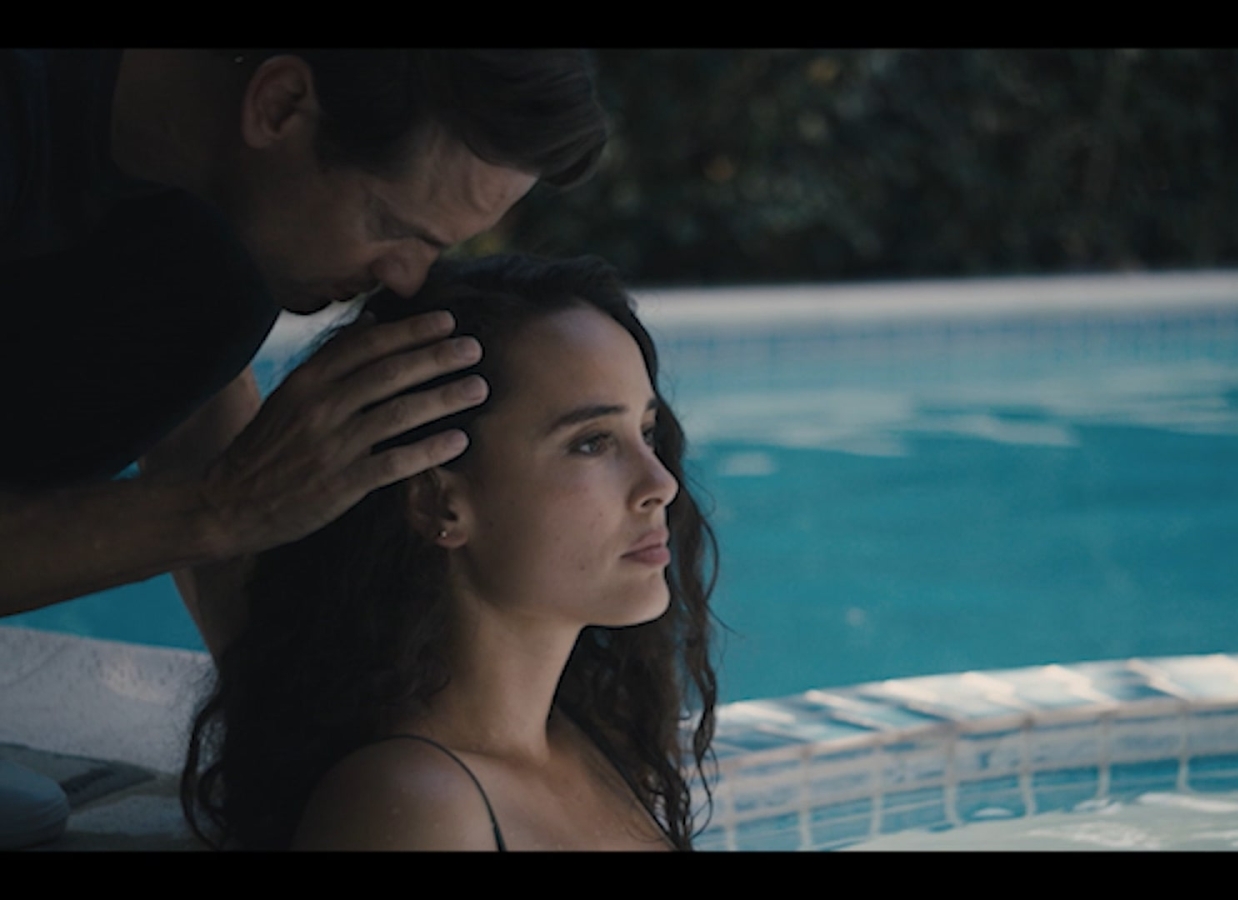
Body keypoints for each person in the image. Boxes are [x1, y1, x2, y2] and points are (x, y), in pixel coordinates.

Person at [0, 50, 608, 657]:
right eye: (392, 226)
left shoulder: (210, 248)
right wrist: (220, 508)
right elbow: (228, 500)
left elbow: (191, 419)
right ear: (280, 104)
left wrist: (315, 703)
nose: (406, 281)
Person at [180, 255, 719, 851]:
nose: (661, 484)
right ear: (438, 502)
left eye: (646, 432)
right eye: (591, 443)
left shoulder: (597, 740)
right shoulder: (415, 804)